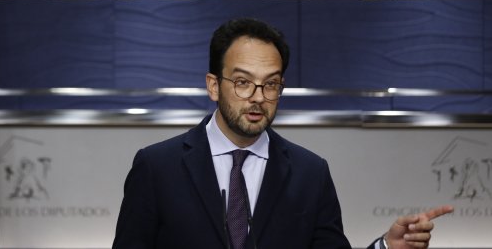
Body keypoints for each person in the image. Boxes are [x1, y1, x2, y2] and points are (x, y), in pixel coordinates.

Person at [113, 18, 453, 249]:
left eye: (271, 84)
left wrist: (386, 247)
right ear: (214, 86)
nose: (258, 96)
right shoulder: (158, 167)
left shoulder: (310, 173)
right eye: (243, 82)